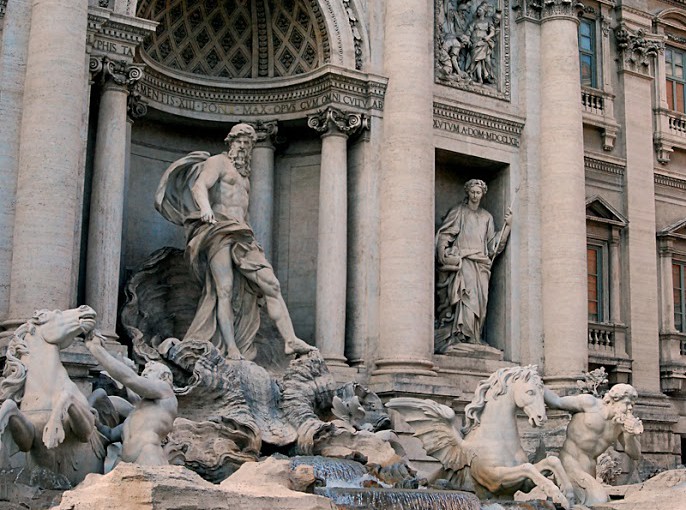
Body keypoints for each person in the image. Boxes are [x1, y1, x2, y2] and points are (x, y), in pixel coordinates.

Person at [155, 123, 316, 360]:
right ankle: (231, 348)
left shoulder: (244, 177)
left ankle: (290, 340)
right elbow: (199, 186)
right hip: (218, 229)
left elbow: (244, 210)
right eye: (239, 141)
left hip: (242, 235)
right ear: (230, 142)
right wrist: (206, 208)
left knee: (271, 284)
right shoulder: (218, 162)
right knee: (225, 290)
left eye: (248, 143)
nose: (243, 146)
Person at [434, 179, 511, 352]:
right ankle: (462, 335)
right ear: (467, 192)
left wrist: (507, 227)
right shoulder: (459, 211)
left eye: (478, 193)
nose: (475, 196)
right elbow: (446, 234)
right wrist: (443, 253)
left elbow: (492, 245)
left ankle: (475, 336)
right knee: (467, 299)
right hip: (465, 261)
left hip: (482, 264)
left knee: (480, 302)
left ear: (483, 194)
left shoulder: (487, 217)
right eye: (473, 192)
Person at [84, 332, 177, 466]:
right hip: (125, 463)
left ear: (164, 377)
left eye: (150, 372)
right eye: (144, 372)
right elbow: (111, 434)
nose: (144, 374)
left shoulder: (166, 392)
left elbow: (131, 379)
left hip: (148, 458)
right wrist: (98, 424)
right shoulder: (139, 412)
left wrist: (96, 349)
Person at [544, 384, 643, 506]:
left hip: (590, 471)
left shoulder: (619, 425)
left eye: (632, 405)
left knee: (590, 503)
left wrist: (629, 435)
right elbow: (556, 402)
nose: (630, 408)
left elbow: (635, 454)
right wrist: (537, 386)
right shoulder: (590, 403)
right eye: (627, 403)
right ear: (613, 400)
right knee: (599, 500)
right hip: (569, 463)